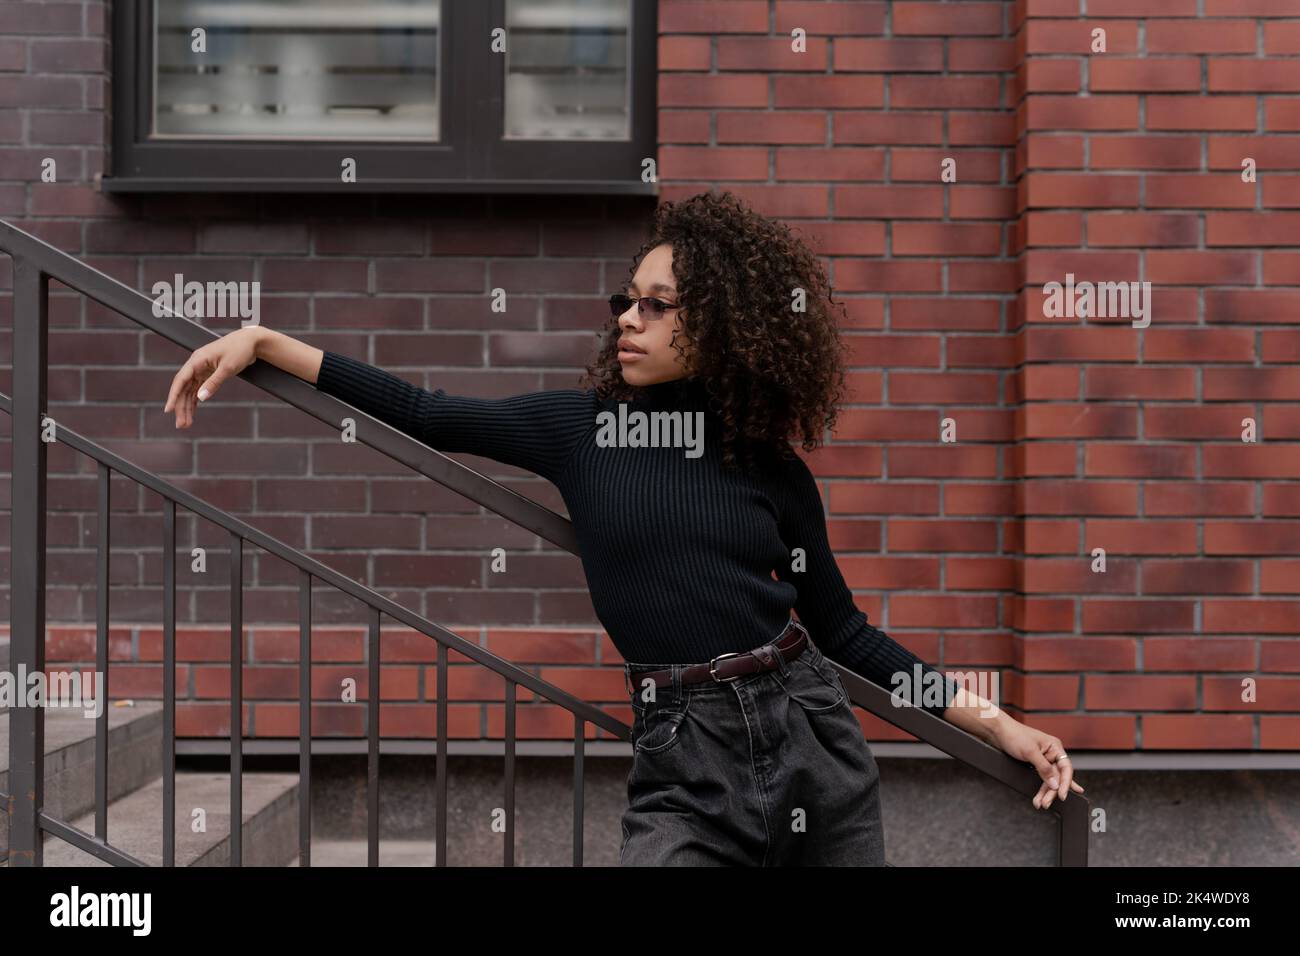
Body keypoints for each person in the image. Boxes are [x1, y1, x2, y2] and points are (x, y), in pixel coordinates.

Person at [163, 190, 1083, 865]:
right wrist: (270, 345)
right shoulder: (581, 432)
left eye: (656, 305)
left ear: (720, 325)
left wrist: (1000, 726)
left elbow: (845, 632)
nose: (627, 321)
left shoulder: (770, 470)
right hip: (681, 753)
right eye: (625, 302)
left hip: (807, 736)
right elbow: (430, 412)